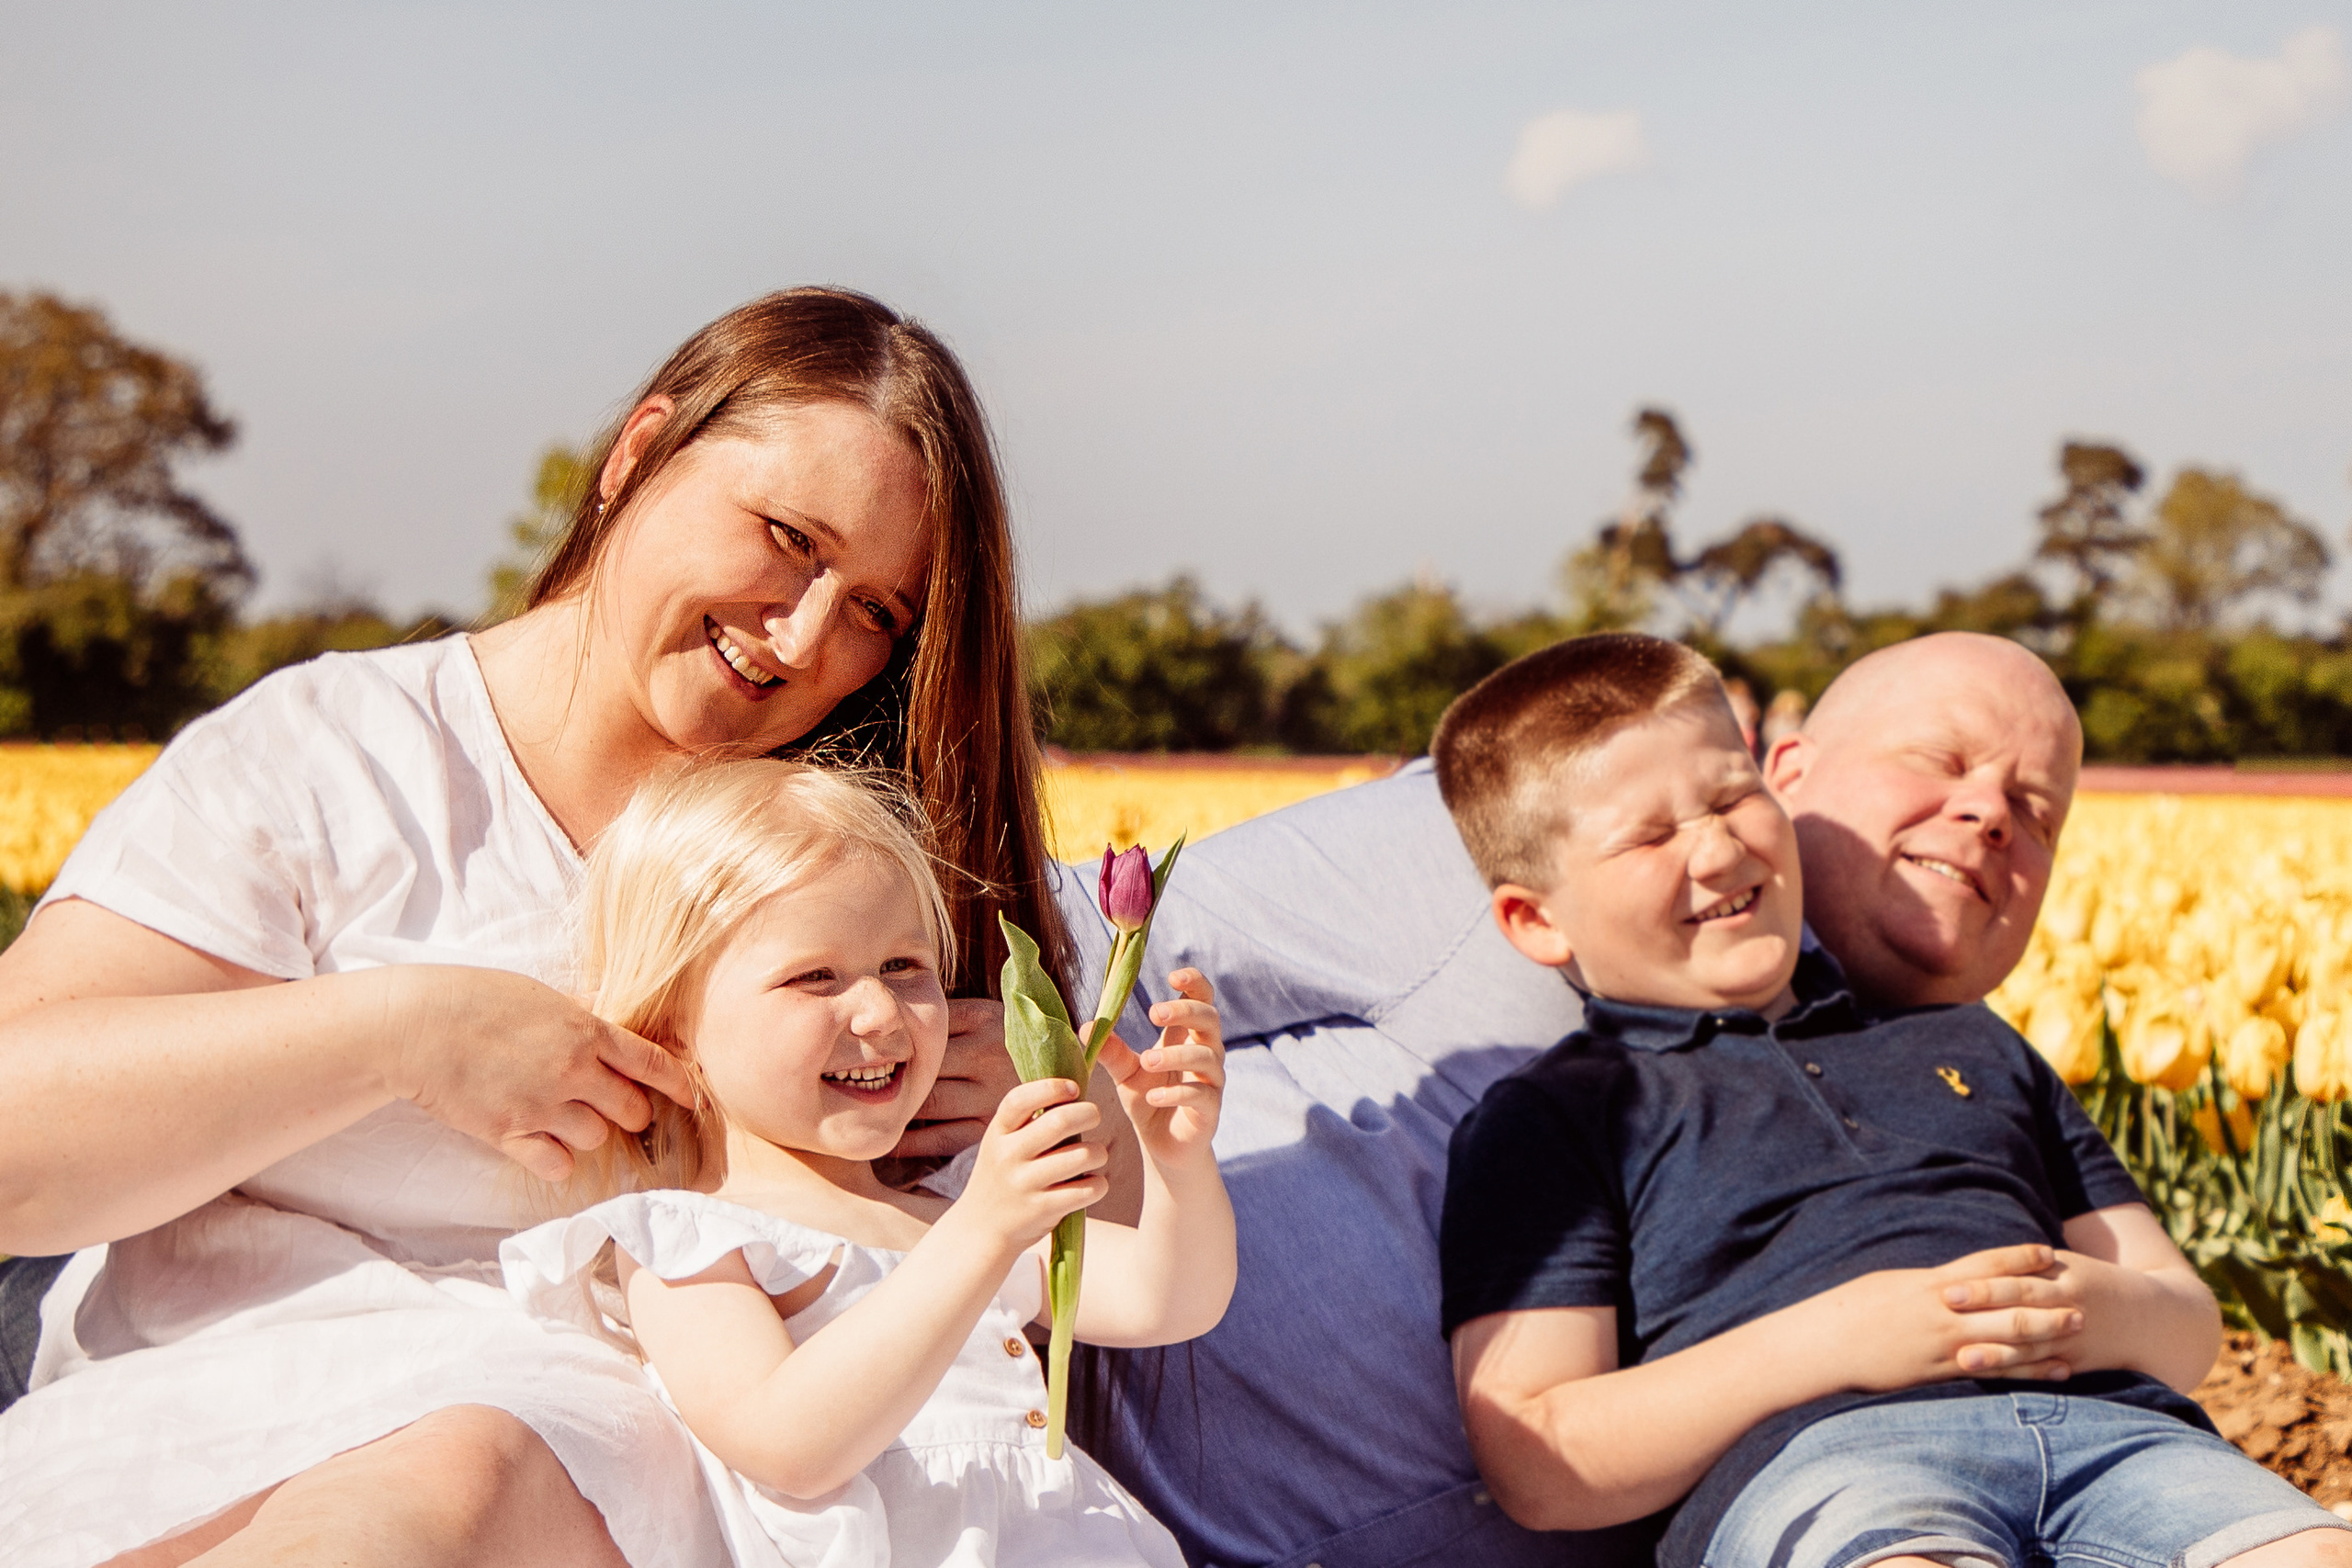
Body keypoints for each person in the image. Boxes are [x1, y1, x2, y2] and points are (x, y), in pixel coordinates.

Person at [0, 288, 1098, 1566]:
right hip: (216, 1435)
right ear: (638, 452)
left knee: (477, 1463)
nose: (803, 636)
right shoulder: (339, 758)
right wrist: (401, 1031)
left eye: (873, 612)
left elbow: (1012, 1296)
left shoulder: (856, 873)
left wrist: (1064, 1116)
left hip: (638, 1487)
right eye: (787, 537)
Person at [972, 631, 2141, 1568]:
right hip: (1023, 1482)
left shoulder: (1959, 1092)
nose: (1993, 816)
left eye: (2041, 811)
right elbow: (1070, 944)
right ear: (1786, 773)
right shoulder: (1515, 825)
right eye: (1940, 761)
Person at [1431, 632, 2347, 1568]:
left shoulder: (1970, 1039)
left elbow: (2185, 1321)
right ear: (1535, 920)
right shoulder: (1558, 1113)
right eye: (1651, 834)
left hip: (2115, 1432)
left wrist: (2087, 1309)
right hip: (1827, 1464)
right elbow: (1537, 1457)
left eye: (1729, 797)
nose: (1715, 847)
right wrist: (1845, 1339)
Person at [503, 759, 1228, 1567]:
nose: (882, 1012)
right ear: (672, 1028)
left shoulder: (945, 1212)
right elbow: (788, 1443)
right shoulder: (688, 1241)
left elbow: (1173, 1299)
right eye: (816, 977)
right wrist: (981, 1235)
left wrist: (1176, 1162)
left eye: (904, 967)